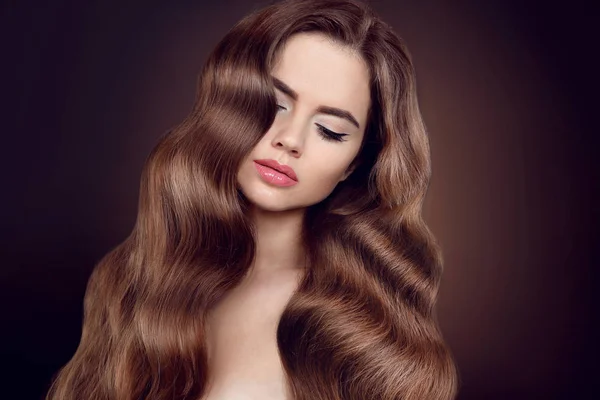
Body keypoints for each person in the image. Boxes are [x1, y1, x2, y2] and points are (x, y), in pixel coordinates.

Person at [46, 0, 458, 399]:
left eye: (330, 130)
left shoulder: (366, 325)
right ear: (231, 101)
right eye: (274, 104)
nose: (290, 140)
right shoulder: (135, 280)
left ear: (354, 164)